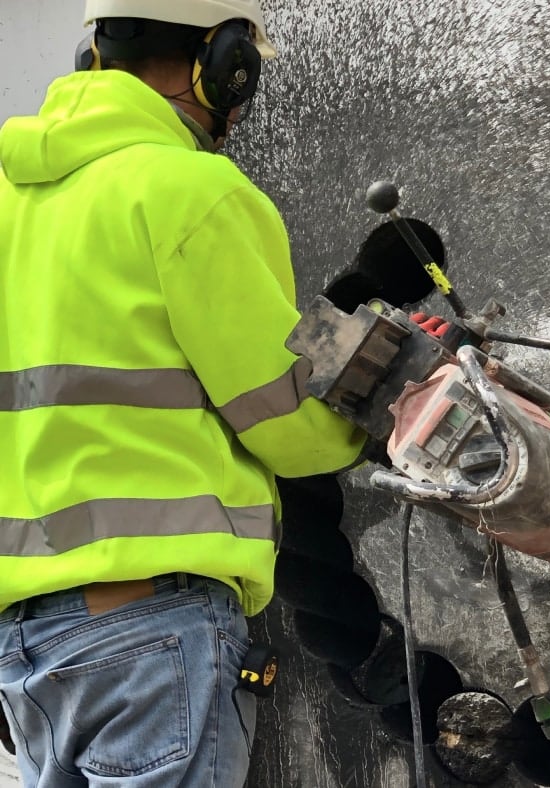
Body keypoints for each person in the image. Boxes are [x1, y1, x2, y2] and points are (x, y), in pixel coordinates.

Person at [0, 1, 369, 785]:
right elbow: (288, 420)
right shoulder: (189, 190)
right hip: (152, 631)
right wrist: (373, 392)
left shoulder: (7, 197)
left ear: (93, 55)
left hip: (24, 648)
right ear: (228, 64)